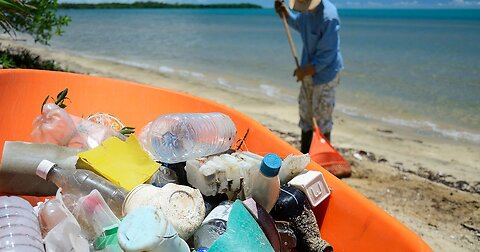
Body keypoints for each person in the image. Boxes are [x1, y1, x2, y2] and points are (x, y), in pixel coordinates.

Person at [274, 0, 343, 154]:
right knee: (306, 116)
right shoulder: (306, 12)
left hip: (325, 76)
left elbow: (327, 55)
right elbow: (299, 24)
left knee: (322, 119)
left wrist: (304, 72)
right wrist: (284, 14)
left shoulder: (329, 17)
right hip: (307, 71)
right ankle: (305, 155)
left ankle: (323, 159)